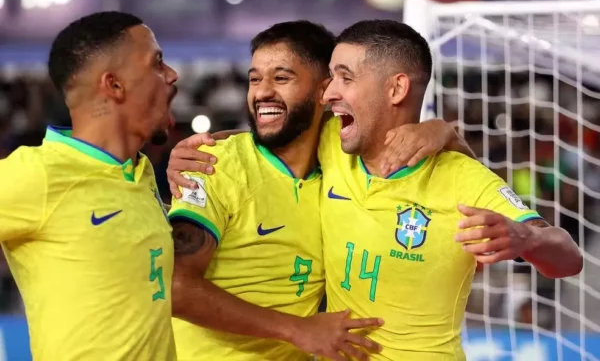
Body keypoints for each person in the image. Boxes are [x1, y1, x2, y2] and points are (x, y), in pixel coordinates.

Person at [166, 21, 475, 361]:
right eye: (255, 79)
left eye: (281, 78)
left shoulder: (339, 153)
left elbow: (453, 171)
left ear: (324, 91)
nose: (262, 92)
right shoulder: (212, 165)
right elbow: (175, 287)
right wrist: (298, 329)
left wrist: (442, 132)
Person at [317, 19, 583, 360]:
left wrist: (527, 239)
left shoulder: (462, 177)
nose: (329, 93)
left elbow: (569, 259)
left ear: (396, 89)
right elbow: (252, 146)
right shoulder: (329, 141)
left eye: (345, 77)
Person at [0, 12, 179, 360]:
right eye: (157, 63)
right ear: (114, 85)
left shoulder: (138, 173)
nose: (172, 74)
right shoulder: (40, 174)